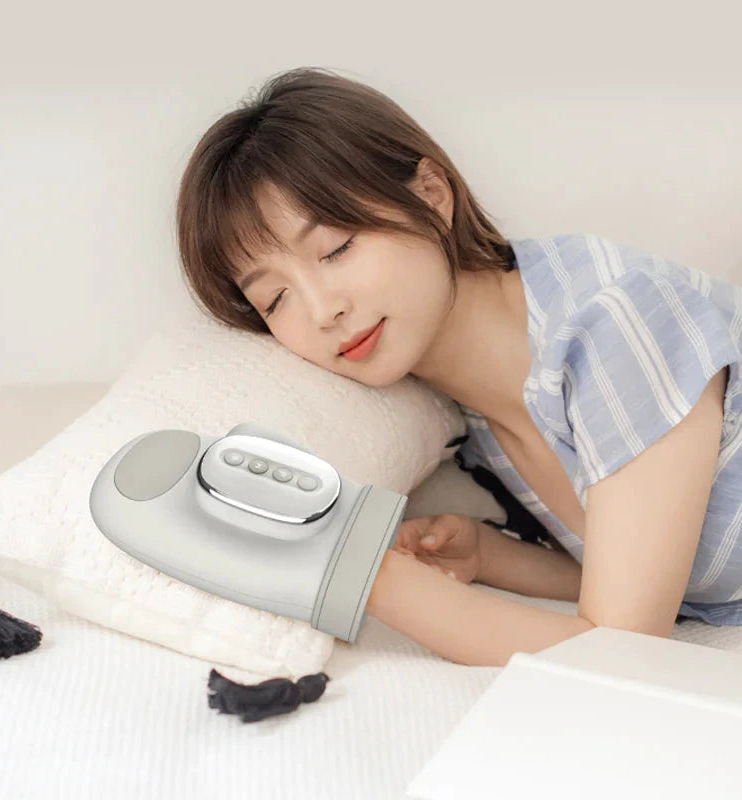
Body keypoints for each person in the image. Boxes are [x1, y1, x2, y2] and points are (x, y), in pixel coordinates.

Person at [174, 66, 742, 667]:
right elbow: (663, 580)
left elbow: (624, 652)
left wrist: (357, 571)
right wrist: (494, 556)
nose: (322, 311)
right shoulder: (466, 421)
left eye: (337, 248)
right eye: (275, 299)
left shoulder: (617, 322)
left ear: (431, 194)